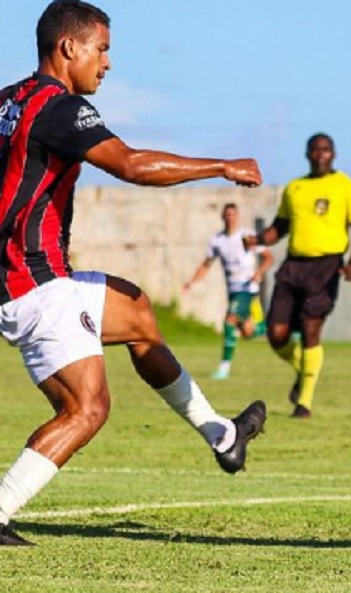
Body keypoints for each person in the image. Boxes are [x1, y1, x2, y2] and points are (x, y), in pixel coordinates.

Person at [0, 1, 267, 546]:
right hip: (37, 285)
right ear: (68, 47)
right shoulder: (60, 108)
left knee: (140, 313)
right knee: (87, 408)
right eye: (102, 49)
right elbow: (132, 165)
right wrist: (220, 167)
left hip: (30, 277)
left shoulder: (9, 100)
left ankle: (223, 436)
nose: (107, 63)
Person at [244, 133, 351, 419]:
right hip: (292, 266)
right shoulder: (294, 188)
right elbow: (280, 227)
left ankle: (304, 403)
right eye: (315, 150)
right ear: (307, 154)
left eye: (325, 150)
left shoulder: (347, 187)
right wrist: (258, 239)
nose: (320, 154)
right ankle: (305, 370)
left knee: (311, 329)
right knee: (276, 335)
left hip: (326, 267)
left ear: (333, 154)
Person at [183, 203, 273, 379]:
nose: (230, 218)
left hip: (247, 289)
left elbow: (268, 256)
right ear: (223, 217)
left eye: (233, 214)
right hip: (232, 291)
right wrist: (191, 282)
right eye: (227, 215)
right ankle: (271, 329)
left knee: (229, 321)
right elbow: (206, 264)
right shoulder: (218, 241)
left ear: (237, 217)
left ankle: (224, 368)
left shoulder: (247, 237)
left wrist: (259, 272)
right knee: (247, 332)